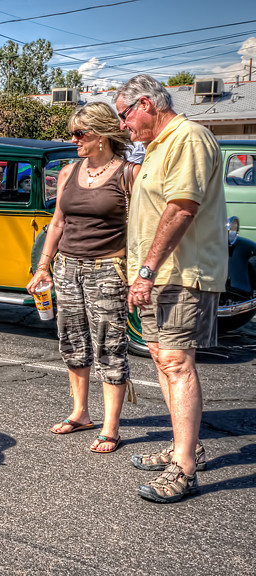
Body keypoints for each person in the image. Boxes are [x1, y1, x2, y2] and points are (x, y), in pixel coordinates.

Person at [116, 74, 227, 503]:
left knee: (177, 362)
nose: (125, 126)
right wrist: (140, 273)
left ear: (145, 103)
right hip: (156, 274)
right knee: (163, 359)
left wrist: (145, 271)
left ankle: (185, 468)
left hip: (183, 273)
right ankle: (186, 446)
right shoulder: (158, 147)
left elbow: (181, 209)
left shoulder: (190, 138)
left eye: (125, 116)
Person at [27, 101, 134, 455]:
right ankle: (81, 413)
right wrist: (43, 266)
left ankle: (111, 427)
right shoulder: (69, 172)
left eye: (79, 133)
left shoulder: (128, 175)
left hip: (108, 269)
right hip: (67, 268)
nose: (73, 139)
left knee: (108, 345)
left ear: (101, 135)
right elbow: (58, 222)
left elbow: (139, 228)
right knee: (72, 341)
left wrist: (139, 274)